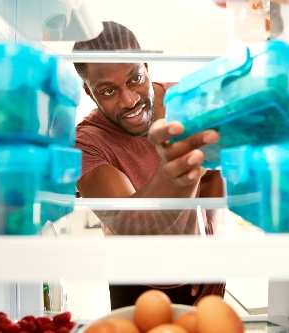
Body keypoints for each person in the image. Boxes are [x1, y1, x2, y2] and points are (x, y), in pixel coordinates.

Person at [72, 21, 225, 310]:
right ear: (90, 93)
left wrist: (213, 254)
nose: (129, 100)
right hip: (132, 281)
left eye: (134, 79)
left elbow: (212, 178)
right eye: (107, 91)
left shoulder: (186, 102)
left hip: (200, 272)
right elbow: (132, 225)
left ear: (145, 65)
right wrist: (176, 171)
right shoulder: (86, 143)